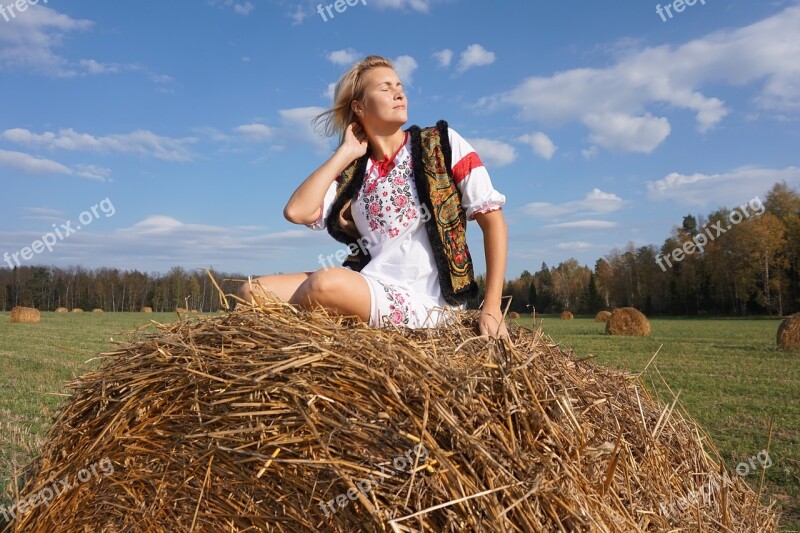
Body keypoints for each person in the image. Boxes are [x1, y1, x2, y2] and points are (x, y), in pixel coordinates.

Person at [239, 55, 509, 338]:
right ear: (358, 106)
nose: (398, 93)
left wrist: (491, 306)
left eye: (400, 85)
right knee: (252, 292)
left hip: (428, 304)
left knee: (325, 284)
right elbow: (297, 212)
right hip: (367, 285)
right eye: (385, 87)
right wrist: (345, 153)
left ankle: (323, 329)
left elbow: (493, 222)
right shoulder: (354, 171)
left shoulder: (442, 144)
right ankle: (325, 326)